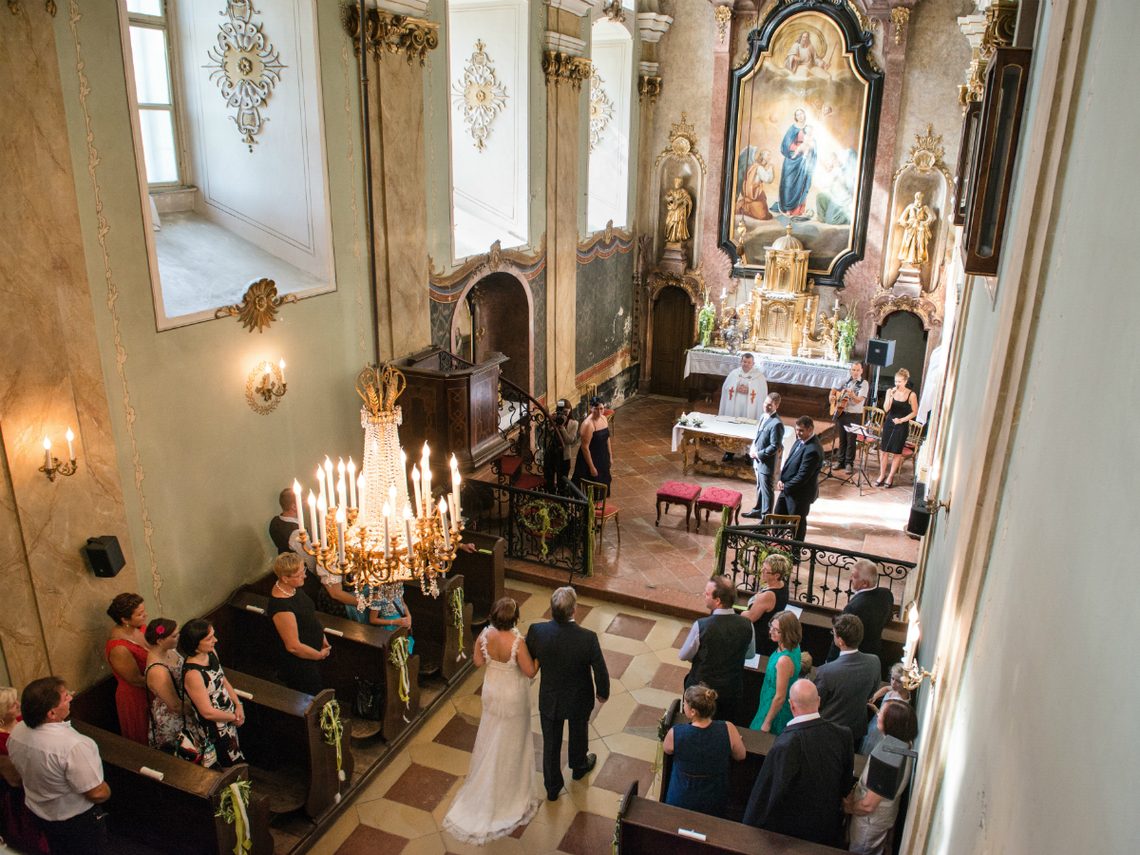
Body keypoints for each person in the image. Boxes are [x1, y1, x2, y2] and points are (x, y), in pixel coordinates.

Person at [442, 598, 540, 843]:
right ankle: (509, 792)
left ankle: (485, 785)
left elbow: (477, 661)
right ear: (514, 618)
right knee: (512, 740)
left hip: (492, 691)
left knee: (490, 735)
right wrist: (540, 658)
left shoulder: (485, 635)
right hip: (512, 695)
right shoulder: (517, 641)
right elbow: (530, 671)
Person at [742, 679, 854, 847]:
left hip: (791, 836)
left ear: (791, 705)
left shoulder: (786, 745)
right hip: (827, 829)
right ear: (818, 701)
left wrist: (746, 832)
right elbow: (845, 784)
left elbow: (766, 795)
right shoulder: (843, 734)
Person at [7, 677, 111, 855]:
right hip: (75, 822)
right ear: (51, 714)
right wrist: (106, 790)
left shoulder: (17, 731)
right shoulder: (74, 745)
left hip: (39, 814)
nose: (71, 697)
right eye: (65, 697)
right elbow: (96, 793)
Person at [524, 587, 609, 801]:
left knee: (551, 742)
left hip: (551, 697)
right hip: (579, 697)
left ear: (552, 609)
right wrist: (603, 692)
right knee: (579, 731)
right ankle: (579, 765)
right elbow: (600, 668)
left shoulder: (537, 631)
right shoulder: (588, 638)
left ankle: (552, 787)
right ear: (574, 610)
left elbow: (528, 655)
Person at [679, 576, 756, 725]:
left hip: (701, 692)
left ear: (718, 601)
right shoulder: (747, 625)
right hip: (731, 691)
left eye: (707, 594)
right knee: (724, 726)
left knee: (697, 725)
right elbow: (750, 654)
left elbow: (684, 655)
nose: (704, 595)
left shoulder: (702, 625)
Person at [663, 684, 746, 818]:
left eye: (685, 704)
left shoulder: (677, 733)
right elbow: (741, 755)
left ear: (693, 711)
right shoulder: (728, 728)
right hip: (714, 797)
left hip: (681, 797)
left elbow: (667, 749)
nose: (683, 706)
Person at [846, 700, 918, 854]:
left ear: (892, 723)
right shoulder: (904, 744)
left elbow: (868, 806)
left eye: (882, 714)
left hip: (869, 823)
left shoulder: (887, 758)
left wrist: (848, 807)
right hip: (883, 816)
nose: (878, 715)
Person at [178, 619, 245, 768]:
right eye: (209, 638)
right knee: (228, 763)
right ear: (195, 644)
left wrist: (238, 704)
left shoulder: (211, 652)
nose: (215, 640)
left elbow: (223, 680)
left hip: (229, 716)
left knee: (236, 755)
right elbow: (207, 712)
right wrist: (234, 717)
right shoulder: (193, 674)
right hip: (215, 727)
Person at [268, 553, 331, 694]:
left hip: (314, 649)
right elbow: (293, 646)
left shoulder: (292, 588)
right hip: (300, 662)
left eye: (304, 570)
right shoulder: (281, 607)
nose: (305, 576)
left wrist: (322, 637)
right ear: (285, 578)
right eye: (299, 574)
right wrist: (318, 655)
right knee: (311, 694)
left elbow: (308, 616)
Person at [814, 615, 882, 740]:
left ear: (840, 641)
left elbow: (815, 703)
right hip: (855, 730)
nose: (833, 635)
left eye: (833, 633)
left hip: (829, 731)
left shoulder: (826, 671)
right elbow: (871, 694)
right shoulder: (874, 661)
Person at [0, 687, 49, 854]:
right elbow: (15, 778)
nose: (18, 704)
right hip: (24, 793)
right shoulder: (1, 742)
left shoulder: (23, 720)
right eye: (11, 705)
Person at [826, 559, 896, 662]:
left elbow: (841, 637)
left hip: (853, 658)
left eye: (854, 576)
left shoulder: (853, 608)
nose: (850, 579)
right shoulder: (886, 594)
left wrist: (829, 661)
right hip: (874, 653)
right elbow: (887, 618)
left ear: (864, 584)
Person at [104, 592, 150, 744]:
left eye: (144, 611)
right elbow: (136, 680)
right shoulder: (119, 648)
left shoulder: (140, 628)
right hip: (136, 697)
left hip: (152, 688)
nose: (145, 615)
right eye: (140, 614)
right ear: (124, 619)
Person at [749, 611, 802, 734]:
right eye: (771, 627)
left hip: (774, 707)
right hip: (768, 697)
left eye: (776, 630)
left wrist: (767, 722)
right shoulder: (792, 646)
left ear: (788, 633)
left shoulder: (784, 660)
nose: (770, 632)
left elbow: (780, 697)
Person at [774, 415, 825, 541]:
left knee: (796, 526)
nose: (798, 433)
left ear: (810, 429)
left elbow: (803, 476)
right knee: (777, 520)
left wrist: (786, 486)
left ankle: (795, 554)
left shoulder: (813, 450)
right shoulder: (799, 440)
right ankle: (775, 545)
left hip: (799, 495)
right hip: (787, 489)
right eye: (797, 430)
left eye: (801, 430)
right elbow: (788, 463)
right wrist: (781, 479)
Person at [143, 618, 185, 753]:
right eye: (174, 636)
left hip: (184, 704)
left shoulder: (171, 650)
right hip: (173, 717)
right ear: (160, 640)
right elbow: (174, 705)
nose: (178, 637)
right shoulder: (157, 670)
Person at [874, 369, 918, 487]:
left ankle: (890, 477)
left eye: (899, 381)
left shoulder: (911, 395)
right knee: (884, 451)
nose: (897, 384)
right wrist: (890, 396)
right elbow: (886, 409)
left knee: (896, 453)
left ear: (905, 381)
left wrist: (902, 420)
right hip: (889, 423)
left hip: (902, 426)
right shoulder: (890, 391)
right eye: (895, 381)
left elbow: (914, 412)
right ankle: (882, 475)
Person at [742, 392, 783, 517]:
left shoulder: (776, 423)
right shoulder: (763, 416)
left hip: (766, 463)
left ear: (776, 406)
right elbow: (759, 436)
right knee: (760, 487)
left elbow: (774, 446)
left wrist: (758, 454)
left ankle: (766, 516)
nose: (766, 406)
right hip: (758, 461)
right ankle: (758, 510)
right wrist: (753, 448)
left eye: (770, 405)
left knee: (767, 491)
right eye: (765, 403)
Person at [741, 553, 791, 655]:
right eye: (763, 567)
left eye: (766, 570)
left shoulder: (769, 595)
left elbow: (750, 617)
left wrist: (741, 613)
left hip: (760, 636)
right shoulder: (782, 585)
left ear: (777, 575)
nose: (761, 571)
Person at [774, 109, 817, 216]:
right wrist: (798, 148)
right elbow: (785, 145)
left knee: (801, 184)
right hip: (791, 161)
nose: (800, 116)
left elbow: (813, 144)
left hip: (803, 162)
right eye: (798, 115)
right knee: (788, 185)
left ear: (804, 115)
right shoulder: (792, 129)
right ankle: (787, 209)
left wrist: (809, 148)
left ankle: (797, 210)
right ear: (796, 117)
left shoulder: (809, 129)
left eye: (802, 113)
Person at [861, 664, 911, 754]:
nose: (893, 683)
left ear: (905, 682)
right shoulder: (897, 688)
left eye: (898, 681)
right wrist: (875, 697)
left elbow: (886, 720)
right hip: (877, 722)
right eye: (892, 679)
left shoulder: (899, 702)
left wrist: (875, 708)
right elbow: (886, 688)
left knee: (873, 748)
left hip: (883, 730)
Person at [831, 362, 869, 472]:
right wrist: (832, 397)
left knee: (851, 440)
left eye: (858, 370)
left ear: (861, 371)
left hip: (854, 415)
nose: (855, 372)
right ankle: (840, 460)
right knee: (842, 438)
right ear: (850, 370)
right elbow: (833, 391)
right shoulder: (845, 381)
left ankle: (849, 463)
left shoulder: (864, 383)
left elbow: (859, 400)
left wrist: (852, 395)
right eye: (853, 370)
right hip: (842, 413)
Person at [572, 397, 612, 491]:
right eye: (596, 409)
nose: (599, 412)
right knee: (592, 487)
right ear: (591, 408)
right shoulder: (588, 424)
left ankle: (600, 504)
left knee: (604, 482)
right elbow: (584, 447)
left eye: (601, 408)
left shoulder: (604, 419)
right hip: (591, 457)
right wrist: (591, 467)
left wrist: (610, 456)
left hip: (602, 455)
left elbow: (607, 438)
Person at [718, 352, 768, 421]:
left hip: (750, 404)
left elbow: (763, 392)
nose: (746, 364)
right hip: (735, 403)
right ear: (741, 362)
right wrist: (735, 388)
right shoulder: (734, 373)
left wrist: (750, 390)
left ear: (753, 364)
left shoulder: (759, 376)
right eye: (744, 362)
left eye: (749, 362)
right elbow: (725, 387)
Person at [543, 399, 579, 490]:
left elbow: (569, 440)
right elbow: (545, 435)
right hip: (551, 453)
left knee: (562, 482)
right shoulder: (554, 419)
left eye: (567, 411)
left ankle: (561, 500)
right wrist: (551, 422)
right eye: (563, 412)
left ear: (570, 410)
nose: (565, 414)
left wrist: (562, 428)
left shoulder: (574, 423)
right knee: (549, 479)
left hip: (564, 456)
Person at [896, 191, 936, 268]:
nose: (919, 199)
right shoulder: (910, 206)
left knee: (920, 244)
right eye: (918, 197)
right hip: (910, 228)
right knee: (908, 243)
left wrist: (924, 223)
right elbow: (901, 219)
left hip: (920, 229)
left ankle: (917, 258)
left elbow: (932, 217)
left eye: (920, 197)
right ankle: (909, 258)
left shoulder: (925, 208)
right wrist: (906, 224)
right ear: (915, 198)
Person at [738, 149, 774, 220]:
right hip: (755, 194)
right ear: (763, 157)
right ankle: (745, 206)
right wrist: (770, 168)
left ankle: (746, 205)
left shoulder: (755, 165)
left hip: (754, 193)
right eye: (768, 155)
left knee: (765, 214)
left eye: (770, 155)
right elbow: (768, 179)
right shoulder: (759, 168)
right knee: (763, 215)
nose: (770, 157)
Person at [663, 177, 693, 243]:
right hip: (672, 211)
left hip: (679, 211)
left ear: (681, 184)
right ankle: (670, 237)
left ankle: (677, 238)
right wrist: (669, 198)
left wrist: (681, 202)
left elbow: (688, 200)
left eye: (678, 182)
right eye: (676, 182)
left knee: (678, 224)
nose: (677, 184)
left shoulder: (683, 191)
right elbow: (666, 197)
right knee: (669, 222)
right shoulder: (672, 191)